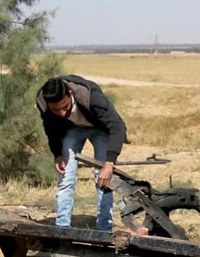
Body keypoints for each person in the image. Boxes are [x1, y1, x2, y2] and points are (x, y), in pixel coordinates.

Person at [36, 75, 130, 231]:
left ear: (71, 95)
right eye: (55, 109)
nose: (61, 113)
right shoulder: (43, 103)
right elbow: (50, 129)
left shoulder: (90, 97)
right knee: (66, 176)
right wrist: (57, 154)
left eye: (65, 107)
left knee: (103, 178)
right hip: (72, 129)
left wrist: (109, 163)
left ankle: (104, 228)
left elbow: (116, 126)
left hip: (100, 128)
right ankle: (62, 228)